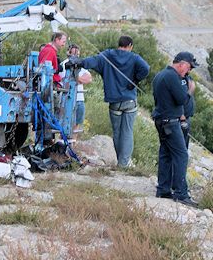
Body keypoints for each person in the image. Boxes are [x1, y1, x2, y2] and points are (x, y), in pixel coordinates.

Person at [67, 35, 150, 167]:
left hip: (115, 102)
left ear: (119, 44)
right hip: (129, 101)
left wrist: (78, 61)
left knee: (117, 132)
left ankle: (119, 160)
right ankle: (124, 163)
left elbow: (92, 61)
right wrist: (135, 81)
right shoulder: (134, 57)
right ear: (130, 46)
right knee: (127, 131)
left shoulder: (107, 55)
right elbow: (146, 68)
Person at [151, 51, 199, 207]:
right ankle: (180, 193)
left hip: (161, 120)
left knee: (166, 154)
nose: (189, 71)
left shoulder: (161, 75)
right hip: (170, 122)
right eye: (189, 67)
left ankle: (163, 189)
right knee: (181, 155)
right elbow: (182, 99)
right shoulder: (172, 77)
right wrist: (190, 89)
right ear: (182, 64)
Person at [60, 44, 92, 131]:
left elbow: (89, 79)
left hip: (79, 99)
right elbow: (64, 80)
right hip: (66, 98)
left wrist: (76, 78)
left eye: (77, 53)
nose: (76, 54)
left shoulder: (80, 64)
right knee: (65, 123)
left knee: (77, 123)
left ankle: (73, 143)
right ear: (69, 52)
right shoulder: (63, 64)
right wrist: (78, 79)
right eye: (74, 52)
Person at [181, 71, 196, 149]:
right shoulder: (176, 79)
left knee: (184, 145)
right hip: (181, 119)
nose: (190, 69)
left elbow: (193, 84)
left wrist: (189, 92)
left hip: (187, 117)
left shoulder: (187, 77)